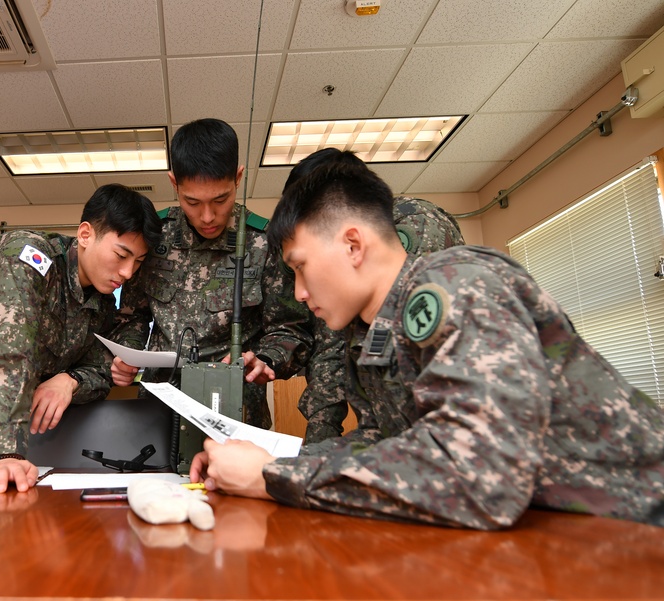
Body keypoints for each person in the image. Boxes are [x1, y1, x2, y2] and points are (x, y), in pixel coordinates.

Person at [190, 160, 664, 529]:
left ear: (353, 246)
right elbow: (387, 443)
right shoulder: (371, 332)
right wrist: (267, 462)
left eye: (300, 266)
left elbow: (482, 480)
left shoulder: (459, 286)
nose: (298, 292)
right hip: (556, 534)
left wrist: (273, 479)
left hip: (633, 528)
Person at [0, 184, 162, 494]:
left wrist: (70, 379)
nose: (128, 272)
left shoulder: (101, 303)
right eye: (121, 255)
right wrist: (7, 452)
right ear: (85, 234)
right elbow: (7, 352)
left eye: (138, 262)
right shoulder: (26, 257)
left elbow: (102, 365)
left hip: (23, 424)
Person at [111, 118, 310, 429]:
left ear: (238, 178)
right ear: (174, 183)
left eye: (221, 200)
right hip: (158, 410)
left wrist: (266, 359)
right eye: (192, 202)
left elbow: (291, 329)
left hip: (235, 412)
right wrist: (130, 353)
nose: (207, 216)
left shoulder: (265, 242)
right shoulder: (153, 236)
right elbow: (130, 316)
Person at [287, 149, 465, 443]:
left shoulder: (420, 231)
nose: (300, 293)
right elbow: (331, 347)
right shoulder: (359, 327)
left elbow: (451, 449)